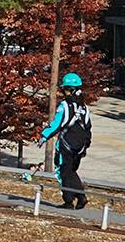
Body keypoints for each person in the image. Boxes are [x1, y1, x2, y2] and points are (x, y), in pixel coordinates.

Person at [39, 72, 93, 209]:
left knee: (63, 171)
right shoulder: (84, 107)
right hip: (80, 146)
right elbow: (88, 127)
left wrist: (44, 135)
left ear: (72, 89)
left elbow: (56, 124)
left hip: (66, 145)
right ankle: (80, 197)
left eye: (66, 89)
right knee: (71, 171)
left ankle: (69, 201)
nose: (65, 92)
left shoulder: (65, 105)